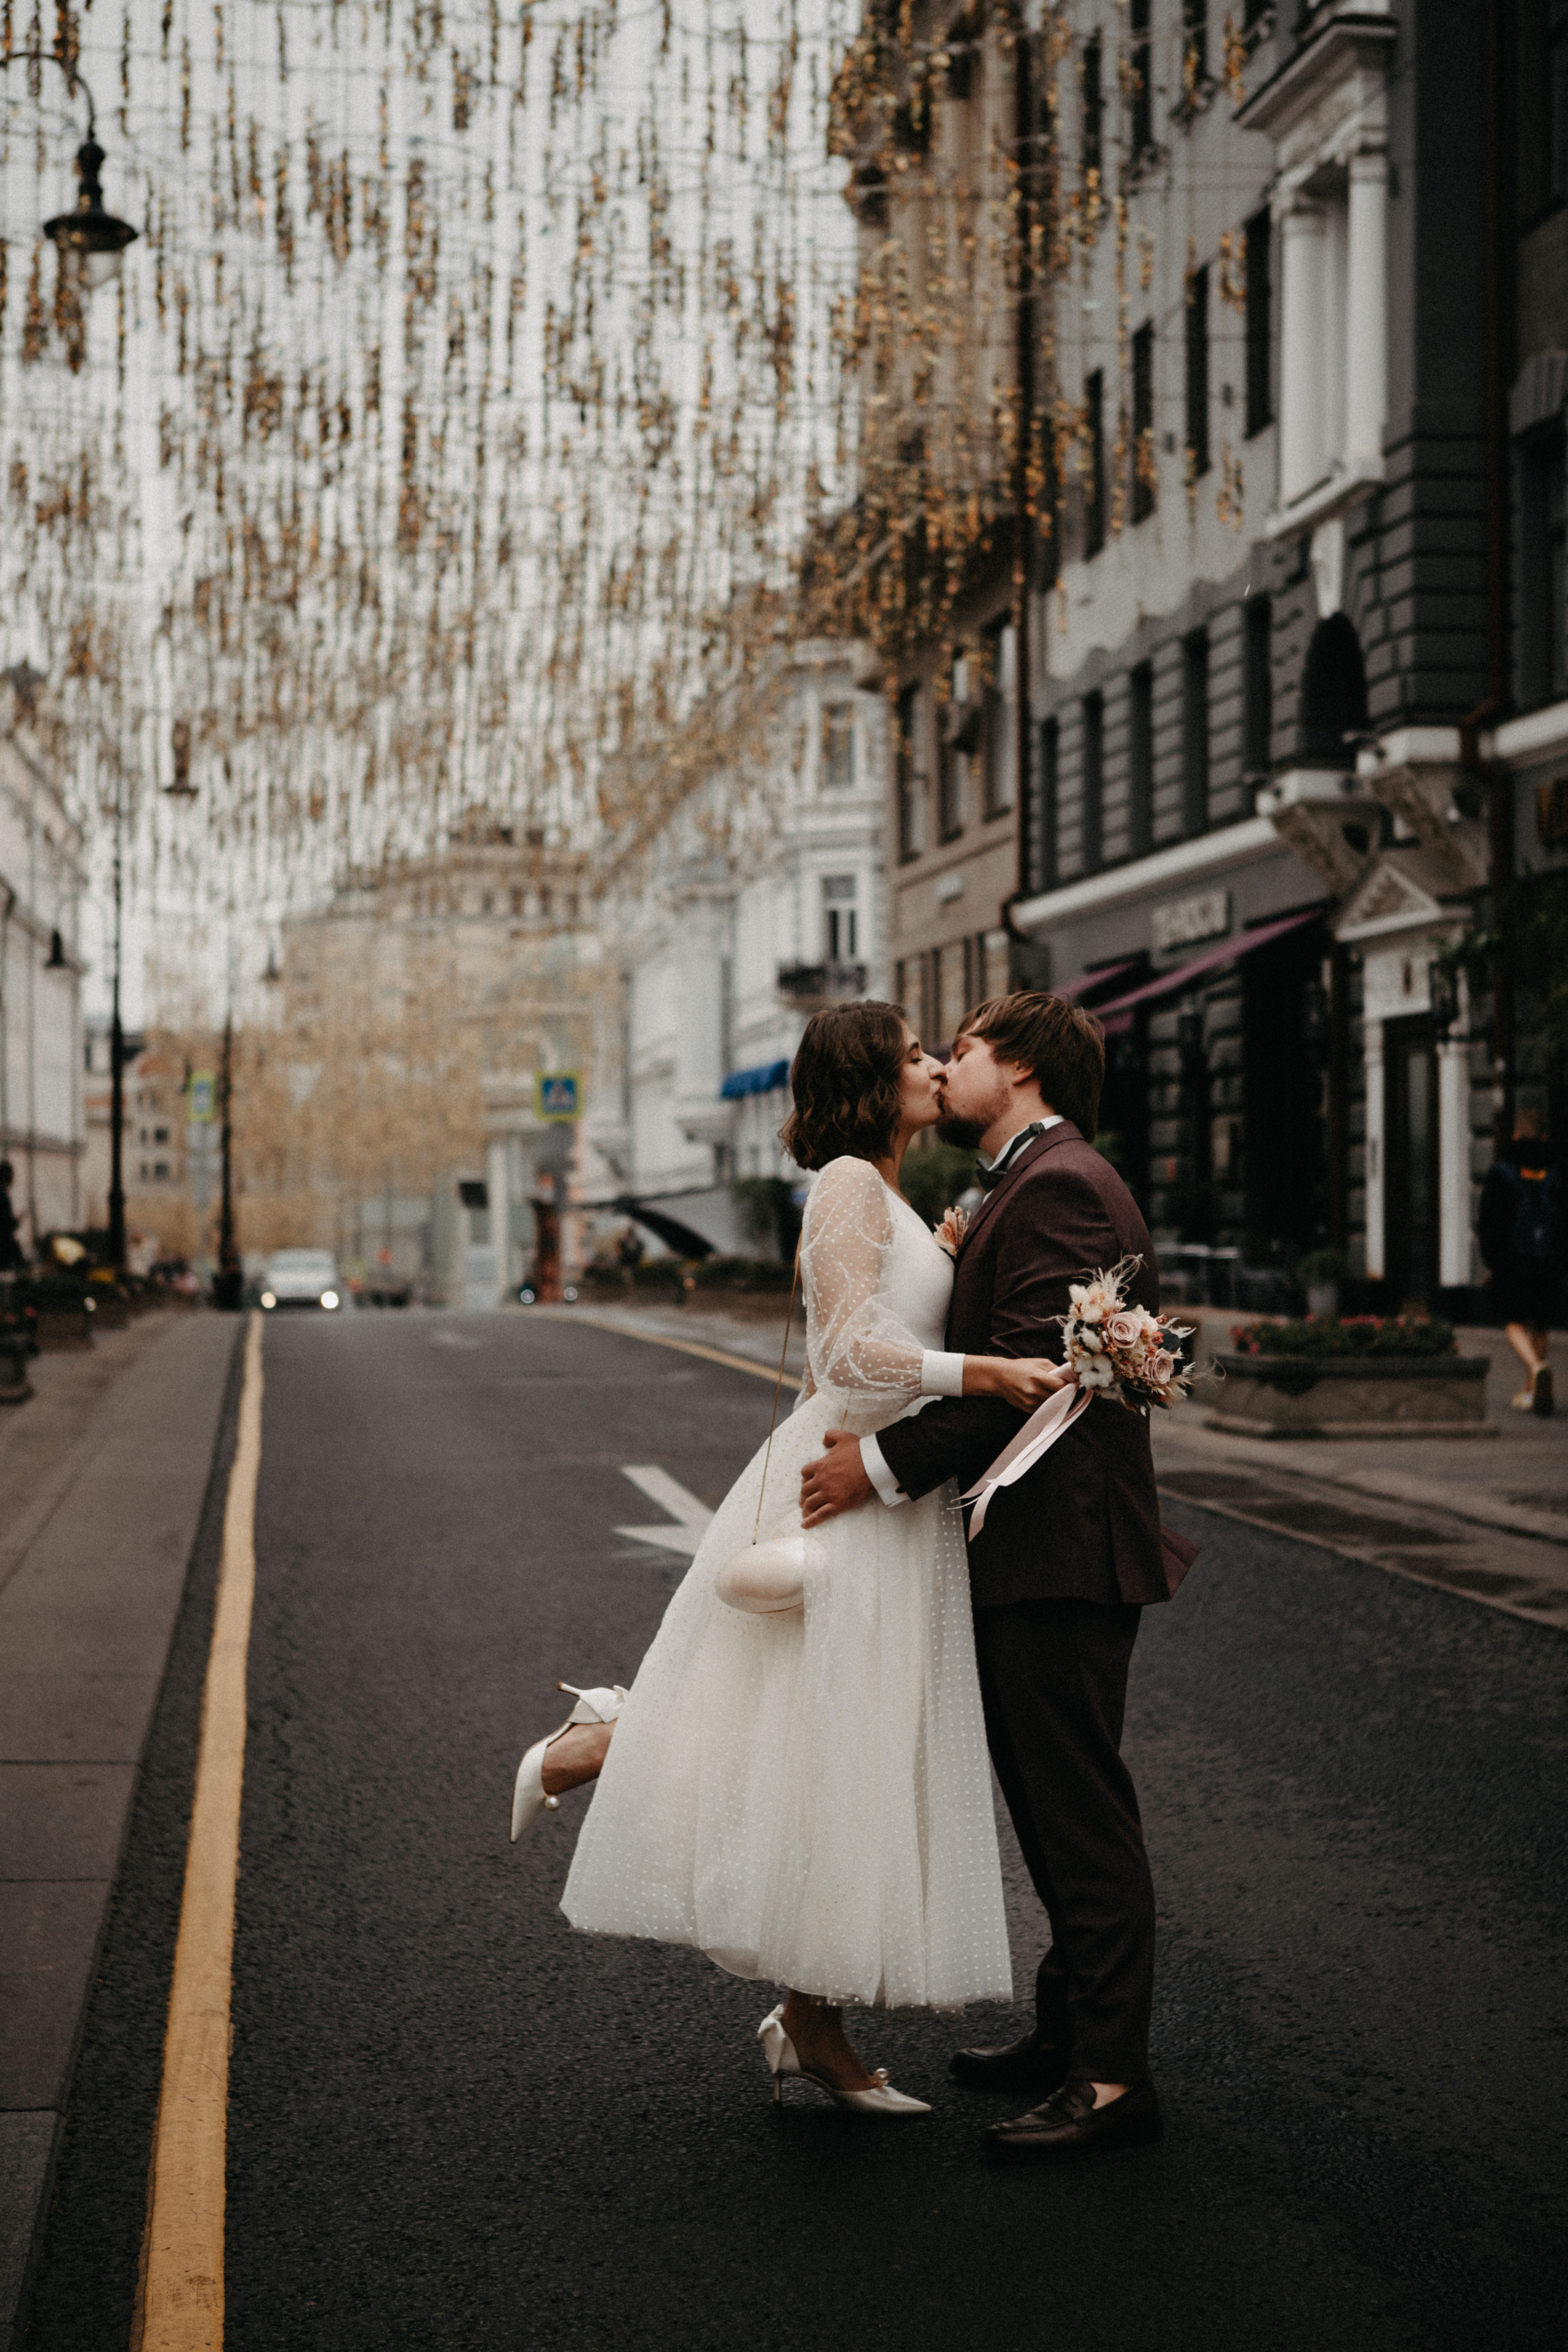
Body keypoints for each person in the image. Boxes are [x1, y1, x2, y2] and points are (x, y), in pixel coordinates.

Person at [508, 1001, 1071, 2112]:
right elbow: (848, 1351)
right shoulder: (852, 1184)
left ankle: (811, 2027)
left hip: (889, 1494)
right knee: (820, 1737)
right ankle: (592, 1749)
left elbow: (881, 1314)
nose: (932, 1065)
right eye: (913, 1053)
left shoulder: (889, 1188)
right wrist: (987, 1372)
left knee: (835, 1752)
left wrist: (944, 1263)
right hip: (844, 1487)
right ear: (874, 1075)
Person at [798, 992, 1192, 2165]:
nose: (941, 1065)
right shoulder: (1028, 1180)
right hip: (1037, 1547)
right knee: (1052, 1804)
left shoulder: (1061, 1182)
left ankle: (1114, 2079)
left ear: (1015, 1069)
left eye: (957, 1049)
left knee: (1080, 1817)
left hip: (1061, 1547)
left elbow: (1034, 1384)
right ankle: (1070, 2034)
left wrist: (875, 1465)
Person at [1478, 1109, 1561, 1417]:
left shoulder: (1502, 1173)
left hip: (1514, 1263)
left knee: (1513, 1322)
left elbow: (1490, 1224)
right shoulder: (1555, 1173)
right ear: (1543, 1136)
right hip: (1548, 1262)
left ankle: (1536, 1368)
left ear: (1515, 1135)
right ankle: (1532, 1390)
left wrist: (1494, 1264)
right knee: (1540, 1324)